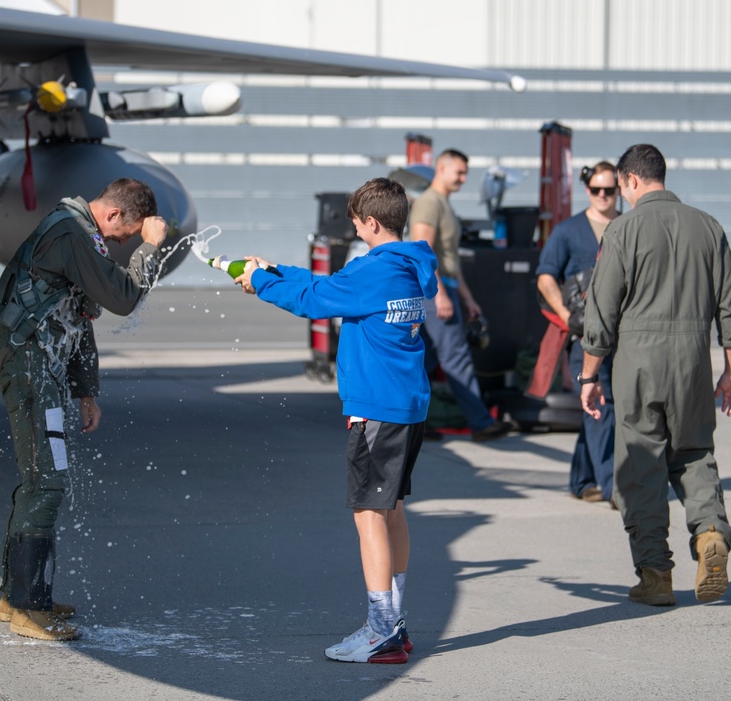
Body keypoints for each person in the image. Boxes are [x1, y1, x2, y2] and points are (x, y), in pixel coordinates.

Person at [236, 177, 437, 664]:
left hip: (377, 412)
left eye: (356, 226)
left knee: (368, 515)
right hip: (407, 406)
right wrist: (275, 268)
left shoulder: (375, 271)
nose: (355, 233)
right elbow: (331, 287)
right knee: (391, 510)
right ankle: (394, 622)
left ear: (371, 224)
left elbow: (314, 302)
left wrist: (260, 282)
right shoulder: (409, 264)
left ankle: (381, 631)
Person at [0, 178, 168, 640]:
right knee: (45, 480)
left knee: (40, 479)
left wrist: (86, 391)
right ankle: (29, 606)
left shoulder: (82, 234)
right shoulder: (71, 232)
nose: (121, 244)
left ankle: (18, 596)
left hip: (40, 367)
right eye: (124, 236)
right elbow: (123, 299)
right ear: (113, 216)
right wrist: (150, 251)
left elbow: (79, 316)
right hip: (29, 364)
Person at [580, 144, 731, 606]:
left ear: (629, 179)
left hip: (638, 362)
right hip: (692, 358)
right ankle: (710, 535)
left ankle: (655, 576)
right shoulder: (709, 227)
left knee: (641, 464)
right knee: (694, 452)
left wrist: (589, 375)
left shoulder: (622, 230)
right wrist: (728, 371)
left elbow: (601, 310)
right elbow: (729, 307)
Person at [408, 149, 512, 442]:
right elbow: (423, 254)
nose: (464, 179)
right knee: (456, 357)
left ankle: (412, 423)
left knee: (423, 360)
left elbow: (451, 259)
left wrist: (468, 298)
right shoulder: (429, 204)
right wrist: (440, 294)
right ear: (442, 168)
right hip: (435, 292)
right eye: (460, 172)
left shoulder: (443, 204)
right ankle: (481, 423)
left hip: (446, 288)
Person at [536, 162, 619, 504]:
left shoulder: (627, 227)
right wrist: (569, 315)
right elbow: (545, 276)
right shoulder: (568, 230)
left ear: (619, 190)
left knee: (598, 407)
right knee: (602, 404)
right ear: (587, 190)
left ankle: (582, 480)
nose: (602, 195)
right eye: (596, 189)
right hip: (584, 337)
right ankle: (615, 487)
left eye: (609, 190)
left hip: (621, 336)